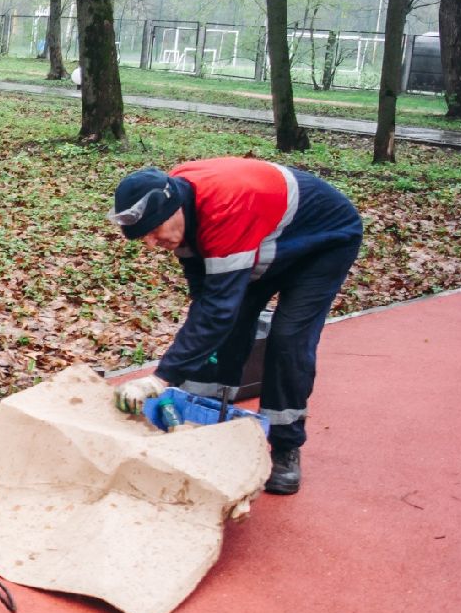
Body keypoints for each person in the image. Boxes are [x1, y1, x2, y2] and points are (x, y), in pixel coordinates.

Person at [108, 157, 363, 495]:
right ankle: (202, 425)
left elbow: (217, 311)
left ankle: (286, 446)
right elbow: (206, 301)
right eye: (144, 238)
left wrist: (161, 377)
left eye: (154, 232)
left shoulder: (224, 210)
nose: (152, 244)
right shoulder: (181, 215)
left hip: (323, 242)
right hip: (262, 241)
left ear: (174, 209)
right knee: (228, 325)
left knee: (288, 339)